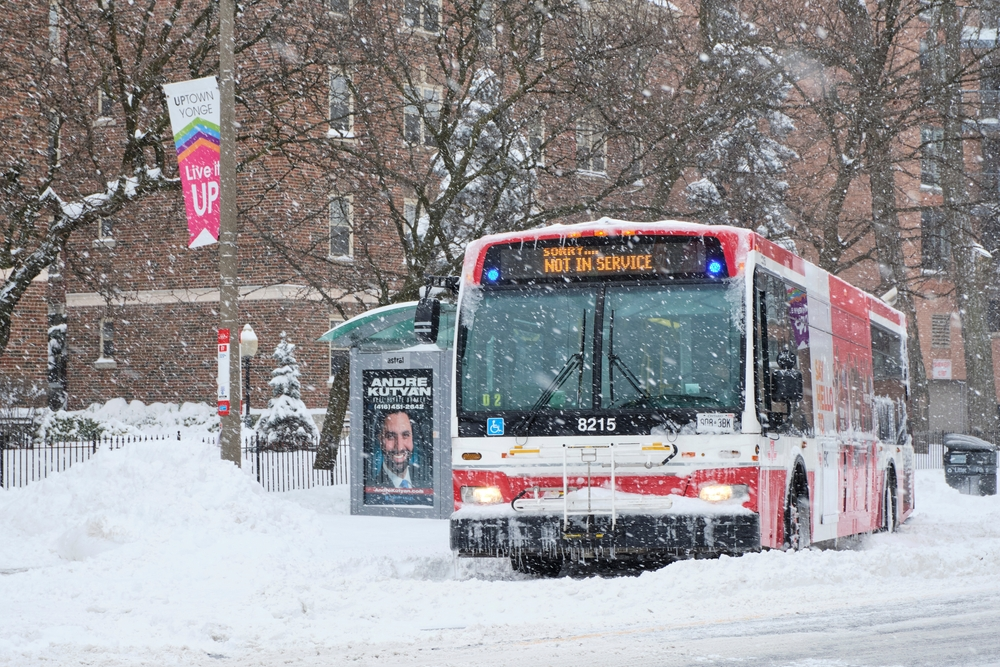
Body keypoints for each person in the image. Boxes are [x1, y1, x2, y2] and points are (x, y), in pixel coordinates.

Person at [376, 410, 416, 488]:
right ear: (380, 440)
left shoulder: (428, 482)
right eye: (390, 436)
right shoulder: (373, 486)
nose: (399, 447)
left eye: (406, 435)